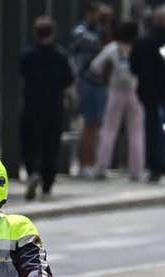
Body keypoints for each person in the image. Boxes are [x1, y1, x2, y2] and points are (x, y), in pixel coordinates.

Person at [19, 16, 75, 200]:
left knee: (30, 143)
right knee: (51, 146)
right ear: (53, 33)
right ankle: (47, 186)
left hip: (32, 106)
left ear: (36, 33)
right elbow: (68, 80)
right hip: (54, 107)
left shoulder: (28, 54)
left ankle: (32, 171)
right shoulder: (60, 55)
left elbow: (22, 72)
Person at [90, 20, 144, 181]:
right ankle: (136, 169)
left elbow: (95, 66)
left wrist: (107, 74)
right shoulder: (139, 48)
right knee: (136, 132)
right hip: (135, 91)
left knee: (109, 130)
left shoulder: (113, 48)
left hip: (115, 91)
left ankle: (102, 167)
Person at [71, 1, 113, 178]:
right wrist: (105, 24)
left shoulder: (100, 30)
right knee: (89, 125)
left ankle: (93, 162)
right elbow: (101, 46)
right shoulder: (80, 32)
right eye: (98, 14)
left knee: (96, 125)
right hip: (87, 82)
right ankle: (85, 164)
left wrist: (107, 24)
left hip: (100, 83)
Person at [130, 4, 165, 183]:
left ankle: (155, 167)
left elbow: (133, 67)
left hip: (148, 93)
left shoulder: (142, 43)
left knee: (152, 129)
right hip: (164, 92)